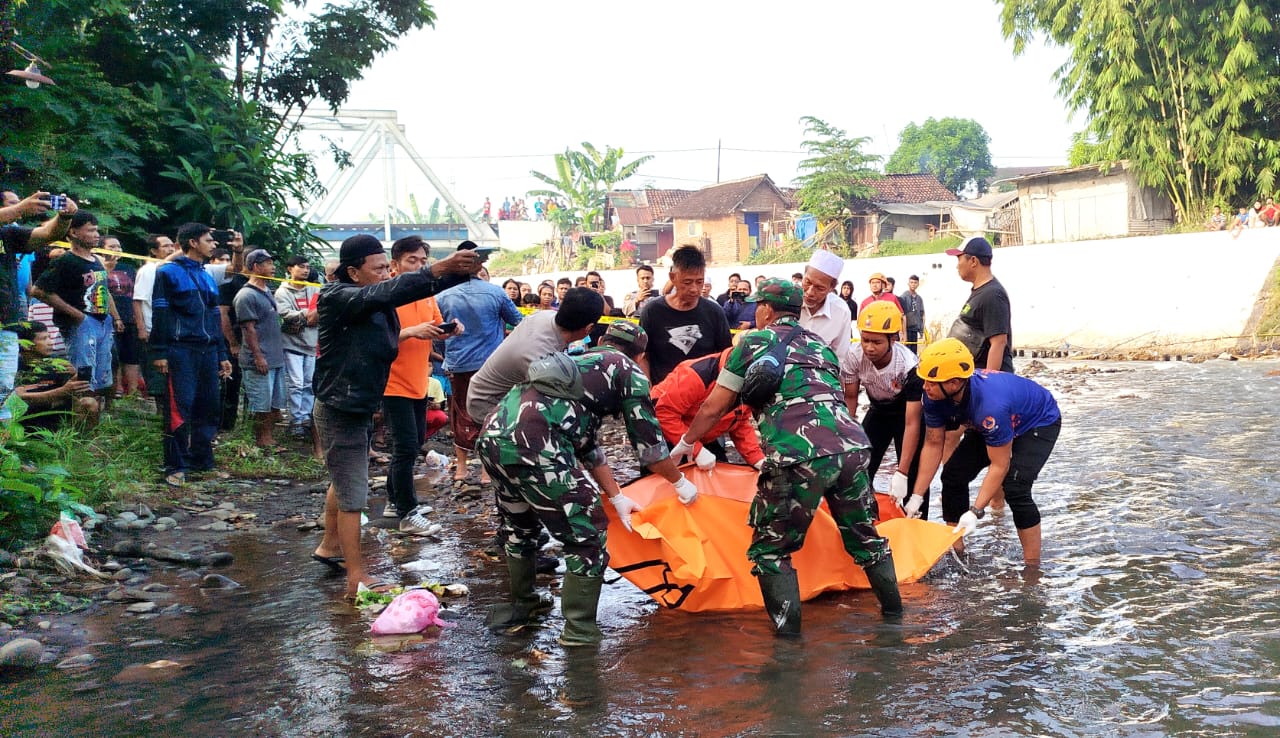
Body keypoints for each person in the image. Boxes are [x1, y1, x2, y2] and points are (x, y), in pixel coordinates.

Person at [677, 278, 901, 635]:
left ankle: (788, 647)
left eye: (758, 306)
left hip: (798, 455)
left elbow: (714, 406)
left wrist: (687, 442)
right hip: (854, 449)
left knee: (770, 551)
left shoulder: (752, 342)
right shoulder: (821, 346)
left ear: (766, 309)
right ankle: (896, 621)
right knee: (866, 541)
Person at [476, 330, 699, 646]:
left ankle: (524, 605)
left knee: (520, 526)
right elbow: (650, 450)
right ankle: (579, 632)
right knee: (588, 535)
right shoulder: (628, 371)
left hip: (493, 438)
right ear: (640, 356)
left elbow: (586, 443)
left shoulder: (577, 360)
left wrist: (617, 495)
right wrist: (681, 483)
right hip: (536, 445)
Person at [310, 234, 481, 599]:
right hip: (341, 407)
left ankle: (329, 546)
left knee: (345, 477)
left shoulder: (375, 299)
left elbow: (402, 292)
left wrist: (456, 272)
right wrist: (438, 268)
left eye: (388, 268)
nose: (386, 275)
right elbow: (389, 293)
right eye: (379, 269)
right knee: (353, 492)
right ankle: (357, 577)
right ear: (353, 272)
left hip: (358, 404)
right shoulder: (337, 296)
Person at [909, 338, 1061, 565]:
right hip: (990, 421)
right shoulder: (933, 396)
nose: (924, 386)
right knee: (952, 475)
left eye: (931, 381)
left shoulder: (990, 406)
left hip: (1037, 421)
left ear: (953, 383)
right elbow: (932, 444)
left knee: (1016, 487)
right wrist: (916, 496)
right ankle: (957, 552)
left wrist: (975, 511)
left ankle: (1032, 568)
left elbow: (999, 465)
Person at [149, 223, 234, 487]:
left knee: (208, 406)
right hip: (180, 349)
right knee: (179, 408)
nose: (214, 244)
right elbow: (160, 313)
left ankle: (202, 461)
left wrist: (222, 353)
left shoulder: (207, 275)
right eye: (209, 240)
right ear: (193, 243)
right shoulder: (167, 272)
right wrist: (160, 352)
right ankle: (175, 465)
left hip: (208, 350)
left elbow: (213, 316)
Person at [434, 241, 524, 486]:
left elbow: (437, 333)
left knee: (460, 415)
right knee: (492, 414)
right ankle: (487, 470)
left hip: (458, 364)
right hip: (492, 366)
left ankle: (461, 469)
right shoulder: (496, 292)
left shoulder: (442, 296)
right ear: (479, 265)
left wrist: (447, 353)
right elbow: (518, 322)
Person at [381, 236, 447, 533]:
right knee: (405, 446)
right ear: (394, 264)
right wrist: (412, 332)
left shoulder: (426, 294)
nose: (419, 266)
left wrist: (447, 331)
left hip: (419, 378)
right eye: (412, 261)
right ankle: (408, 514)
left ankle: (395, 501)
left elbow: (435, 326)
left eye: (423, 261)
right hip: (392, 381)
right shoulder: (385, 295)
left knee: (412, 443)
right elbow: (378, 340)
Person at [466, 286, 603, 426]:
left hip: (491, 389)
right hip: (488, 404)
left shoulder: (545, 315)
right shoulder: (540, 357)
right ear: (589, 329)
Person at [840, 302, 926, 516]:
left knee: (912, 474)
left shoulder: (908, 365)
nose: (869, 347)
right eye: (865, 340)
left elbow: (912, 422)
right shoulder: (854, 355)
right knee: (860, 466)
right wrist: (848, 439)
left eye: (876, 342)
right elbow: (850, 398)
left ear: (893, 339)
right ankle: (865, 518)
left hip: (906, 413)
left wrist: (902, 472)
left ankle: (917, 520)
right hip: (878, 410)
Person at [32, 211, 123, 401]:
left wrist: (116, 317)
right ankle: (78, 420)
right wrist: (77, 315)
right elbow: (39, 290)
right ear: (73, 232)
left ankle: (93, 421)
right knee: (82, 377)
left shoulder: (97, 260)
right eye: (90, 230)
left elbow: (104, 290)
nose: (96, 234)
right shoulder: (65, 260)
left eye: (97, 230)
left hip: (102, 322)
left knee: (103, 378)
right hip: (80, 325)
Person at [651, 347, 765, 470]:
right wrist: (697, 450)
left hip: (701, 437)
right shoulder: (695, 375)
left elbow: (739, 421)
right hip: (663, 436)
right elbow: (662, 412)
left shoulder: (751, 382)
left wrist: (758, 459)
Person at [639, 244, 732, 384]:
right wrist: (649, 391)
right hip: (663, 395)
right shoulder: (652, 311)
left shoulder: (714, 312)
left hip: (702, 396)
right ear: (673, 278)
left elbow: (726, 357)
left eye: (699, 282)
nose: (694, 289)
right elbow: (643, 356)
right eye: (687, 282)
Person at [234, 249, 288, 449]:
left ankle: (269, 438)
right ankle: (261, 440)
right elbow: (248, 329)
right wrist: (258, 356)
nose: (273, 267)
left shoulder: (266, 291)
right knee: (261, 404)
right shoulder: (246, 295)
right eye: (268, 263)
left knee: (276, 403)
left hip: (275, 356)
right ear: (256, 267)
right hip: (259, 358)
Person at [9, 319, 97, 429]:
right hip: (24, 418)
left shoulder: (59, 364)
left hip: (54, 414)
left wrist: (76, 378)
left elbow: (72, 398)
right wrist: (60, 392)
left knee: (89, 403)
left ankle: (80, 439)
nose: (50, 342)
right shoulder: (12, 367)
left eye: (49, 337)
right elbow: (14, 399)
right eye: (44, 339)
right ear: (27, 345)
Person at [945, 236, 1014, 373]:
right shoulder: (981, 291)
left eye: (959, 259)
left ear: (973, 261)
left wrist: (987, 383)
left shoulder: (993, 295)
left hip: (985, 378)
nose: (957, 265)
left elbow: (999, 342)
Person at [275, 255, 320, 437]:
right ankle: (295, 420)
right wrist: (308, 315)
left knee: (308, 383)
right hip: (291, 343)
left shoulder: (313, 289)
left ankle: (305, 417)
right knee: (296, 383)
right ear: (289, 269)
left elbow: (321, 311)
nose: (305, 270)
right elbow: (285, 314)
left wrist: (303, 317)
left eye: (307, 267)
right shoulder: (282, 292)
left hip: (310, 342)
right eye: (301, 267)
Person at [101, 236, 141, 399]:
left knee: (132, 355)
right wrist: (115, 317)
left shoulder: (129, 268)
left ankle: (133, 392)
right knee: (114, 355)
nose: (117, 250)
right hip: (109, 317)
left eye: (119, 246)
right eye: (112, 246)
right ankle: (115, 389)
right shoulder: (98, 266)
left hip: (130, 316)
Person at [798, 250, 852, 364]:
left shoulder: (841, 312)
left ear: (832, 287)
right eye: (807, 282)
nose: (810, 292)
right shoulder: (786, 299)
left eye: (820, 288)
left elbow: (840, 358)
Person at [898, 275, 926, 354]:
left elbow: (922, 314)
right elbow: (901, 314)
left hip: (914, 328)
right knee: (906, 351)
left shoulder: (919, 299)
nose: (913, 284)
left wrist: (921, 331)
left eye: (915, 282)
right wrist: (902, 332)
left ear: (918, 284)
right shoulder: (904, 296)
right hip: (906, 328)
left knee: (913, 352)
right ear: (908, 283)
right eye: (911, 282)